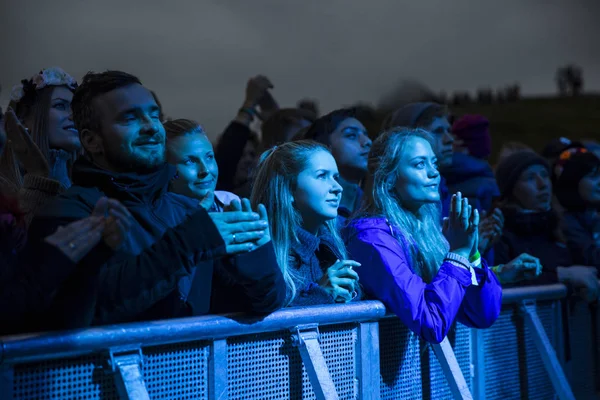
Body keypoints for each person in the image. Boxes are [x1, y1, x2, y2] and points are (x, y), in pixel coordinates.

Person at [23, 70, 276, 329]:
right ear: (91, 140)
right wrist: (184, 246)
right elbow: (73, 313)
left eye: (154, 114)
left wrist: (260, 266)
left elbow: (254, 306)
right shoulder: (67, 213)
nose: (151, 127)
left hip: (196, 370)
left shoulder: (188, 211)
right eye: (129, 118)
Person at [344, 128, 502, 343]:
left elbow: (482, 315)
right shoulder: (371, 238)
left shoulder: (432, 233)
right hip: (384, 375)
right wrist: (458, 254)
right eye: (419, 164)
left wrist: (471, 255)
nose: (434, 172)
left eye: (434, 163)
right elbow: (431, 323)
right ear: (388, 176)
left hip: (427, 375)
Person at [165, 118, 286, 313]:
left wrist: (261, 261)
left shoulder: (230, 208)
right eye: (189, 161)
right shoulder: (154, 223)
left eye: (209, 157)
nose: (206, 171)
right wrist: (195, 233)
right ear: (164, 169)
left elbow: (267, 303)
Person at [251, 141, 361, 306]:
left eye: (336, 177)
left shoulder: (330, 247)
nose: (338, 187)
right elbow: (266, 321)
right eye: (322, 175)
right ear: (288, 189)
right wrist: (321, 293)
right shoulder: (265, 253)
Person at [494, 150, 599, 301]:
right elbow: (501, 283)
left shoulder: (558, 227)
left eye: (544, 175)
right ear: (511, 190)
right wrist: (562, 275)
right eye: (530, 178)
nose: (542, 184)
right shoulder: (500, 234)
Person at [0, 67, 80, 224]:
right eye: (60, 106)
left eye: (75, 109)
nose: (73, 115)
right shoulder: (3, 186)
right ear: (22, 119)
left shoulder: (86, 182)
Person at [304, 108, 372, 219]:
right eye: (351, 135)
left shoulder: (374, 207)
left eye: (366, 134)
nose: (367, 141)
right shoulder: (312, 213)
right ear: (324, 147)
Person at [215, 75, 278, 195]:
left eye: (252, 154)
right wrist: (249, 103)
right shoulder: (219, 196)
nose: (248, 160)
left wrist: (272, 118)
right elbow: (230, 148)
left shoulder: (261, 194)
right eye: (241, 155)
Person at [553, 148, 600, 269]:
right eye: (593, 176)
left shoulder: (594, 214)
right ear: (574, 181)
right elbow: (591, 257)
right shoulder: (566, 222)